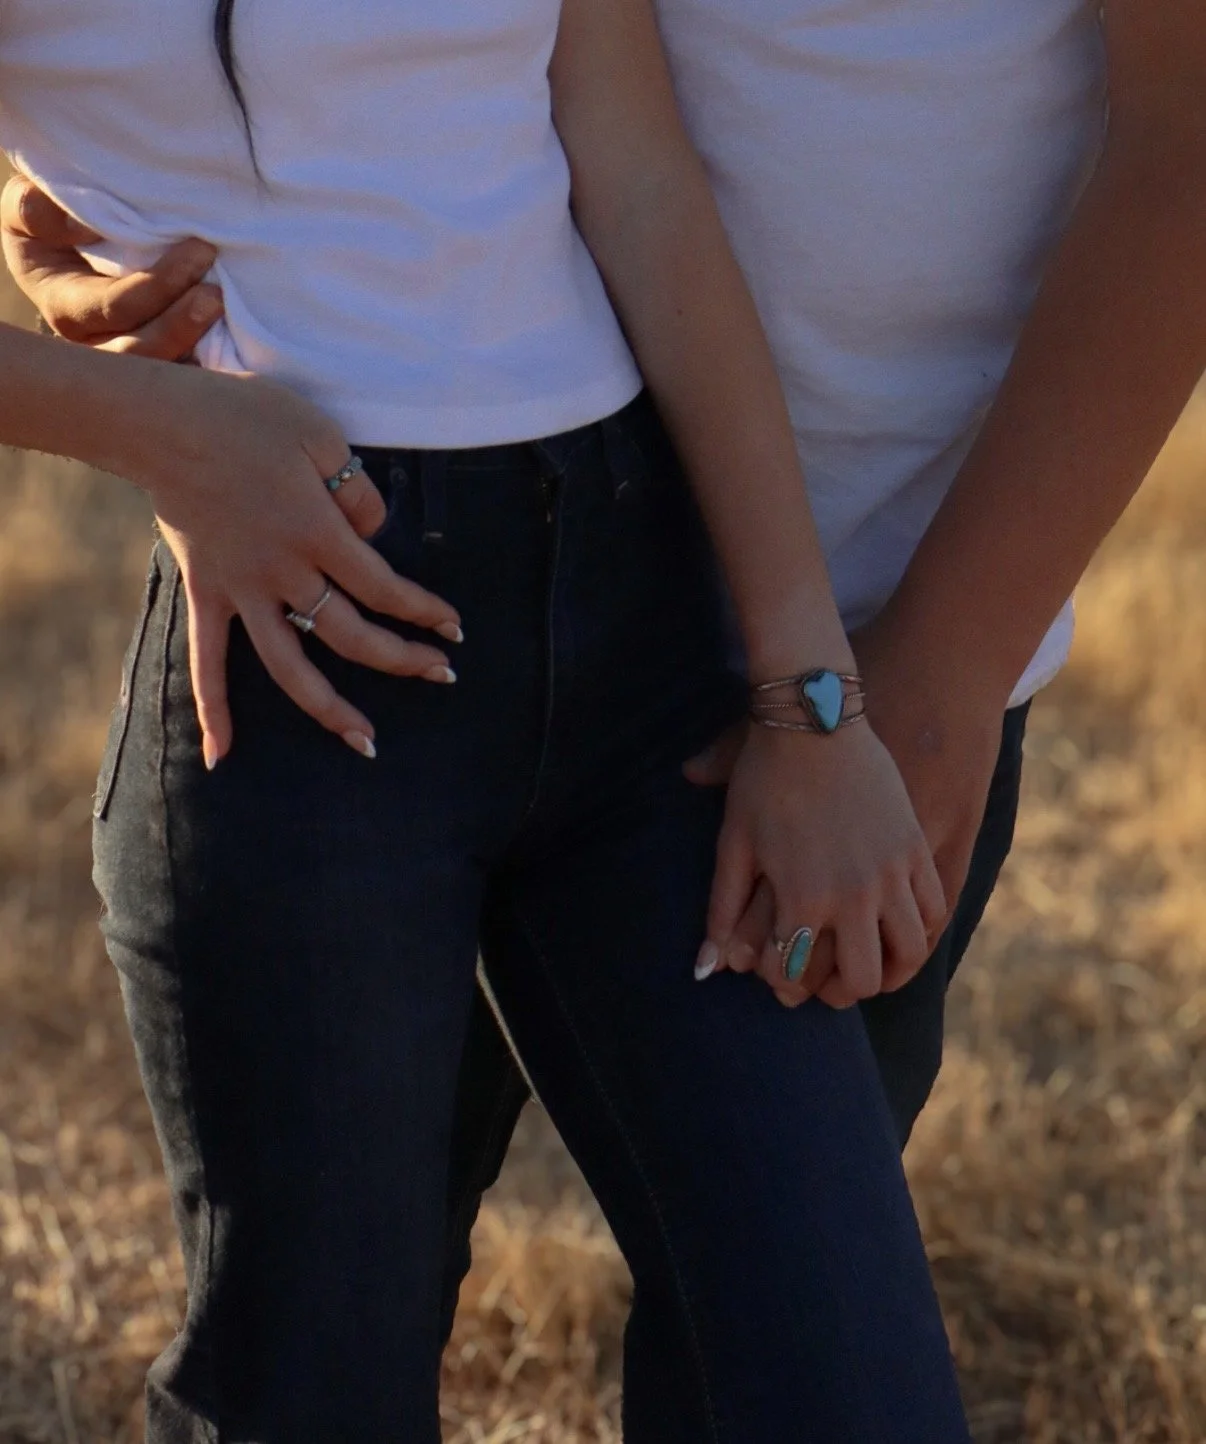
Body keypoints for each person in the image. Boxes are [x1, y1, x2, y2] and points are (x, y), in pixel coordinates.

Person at [0, 1, 981, 1441]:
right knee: (310, 1394)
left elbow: (642, 183)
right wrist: (163, 433)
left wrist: (809, 695)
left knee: (850, 1383)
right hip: (310, 670)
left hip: (643, 635)